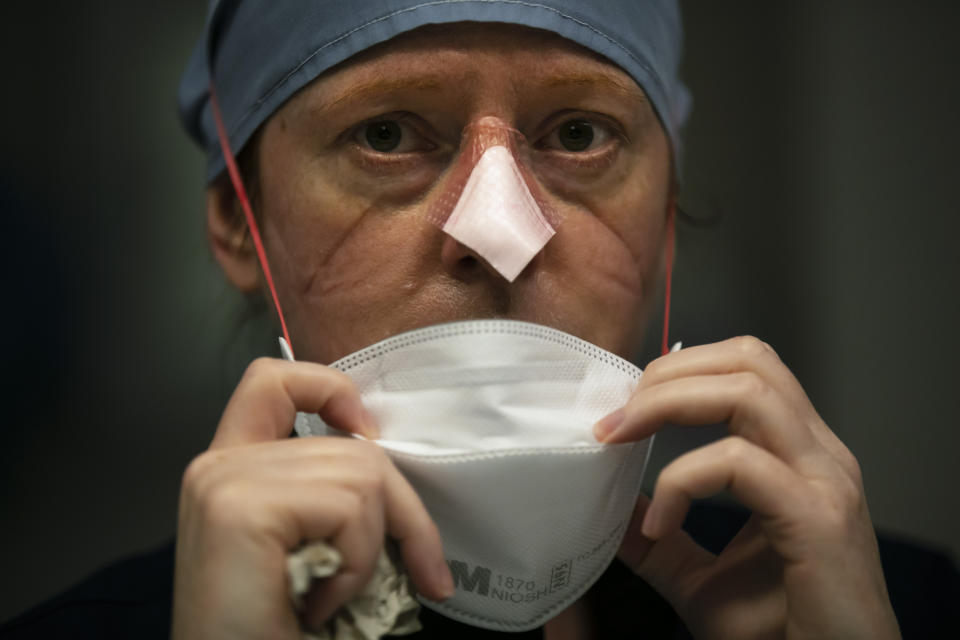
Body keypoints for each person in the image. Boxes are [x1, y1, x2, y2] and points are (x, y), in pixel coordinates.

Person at [2, 1, 957, 638]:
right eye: (385, 135)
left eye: (579, 134)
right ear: (236, 222)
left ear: (668, 217)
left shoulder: (879, 605)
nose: (499, 237)